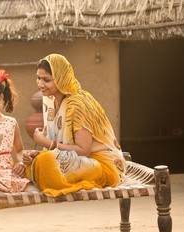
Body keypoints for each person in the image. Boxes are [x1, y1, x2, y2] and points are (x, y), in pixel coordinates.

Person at [23, 54, 126, 197]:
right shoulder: (51, 102)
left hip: (101, 164)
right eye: (38, 78)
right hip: (78, 160)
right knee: (34, 161)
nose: (40, 84)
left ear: (61, 78)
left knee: (46, 162)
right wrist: (38, 153)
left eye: (46, 80)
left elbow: (83, 150)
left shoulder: (77, 104)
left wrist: (46, 143)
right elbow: (61, 148)